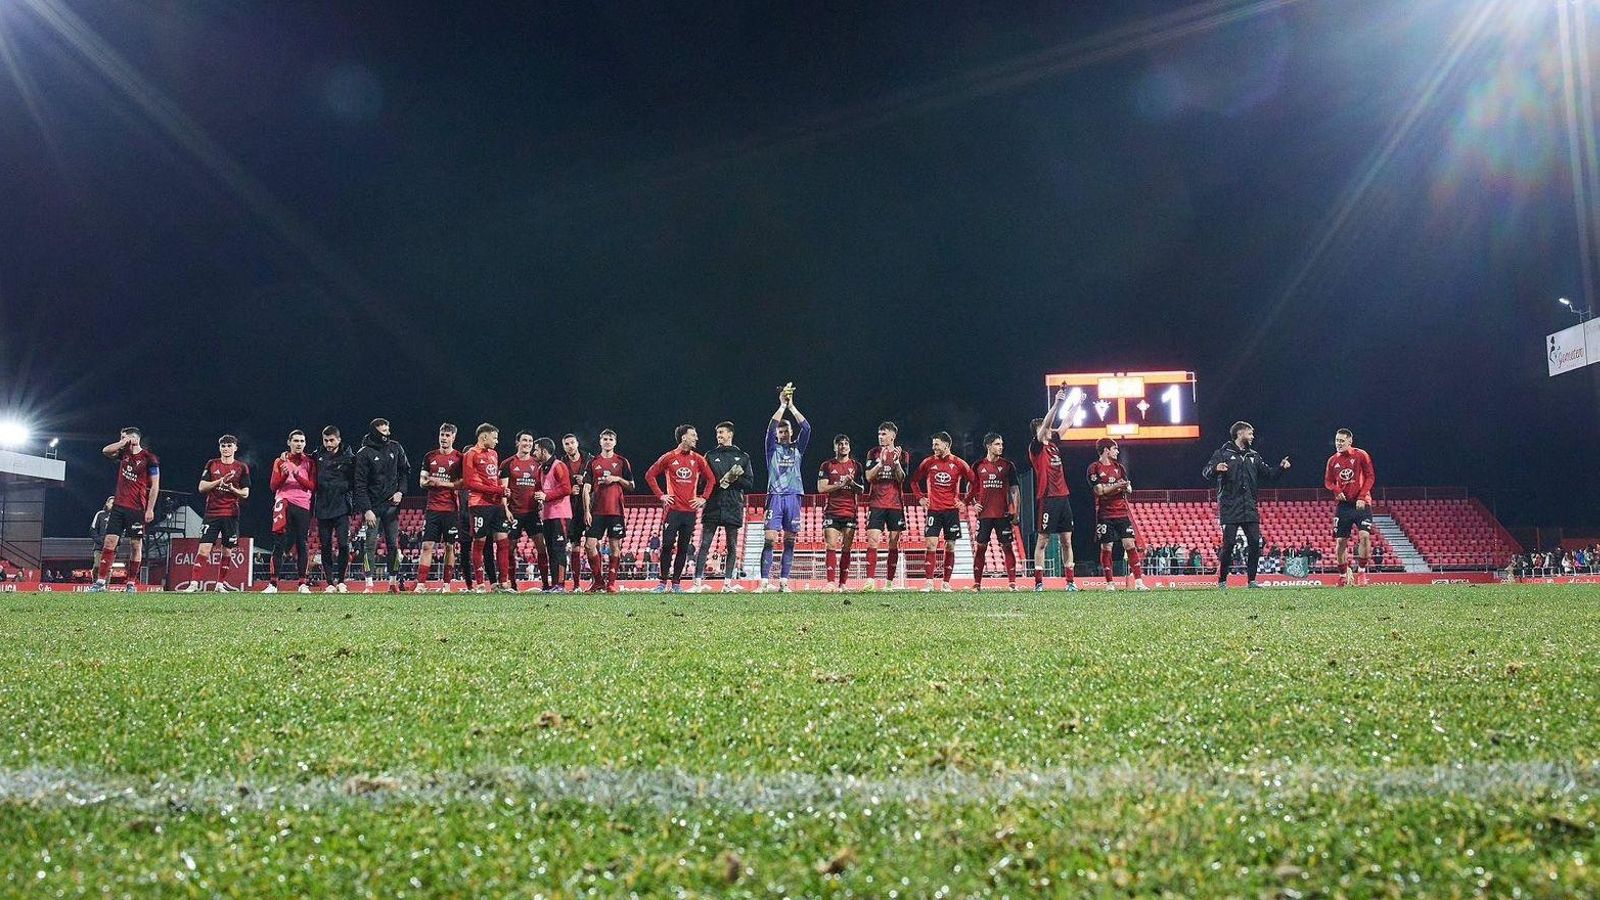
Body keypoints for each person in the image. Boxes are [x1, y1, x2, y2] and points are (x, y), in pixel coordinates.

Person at [1202, 420, 1291, 589]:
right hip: (1229, 506)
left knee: (1255, 543)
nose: (1252, 437)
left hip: (1249, 507)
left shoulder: (1254, 456)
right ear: (1240, 433)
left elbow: (1269, 474)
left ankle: (1251, 580)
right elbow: (1206, 472)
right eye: (1250, 433)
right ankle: (1221, 580)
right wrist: (1215, 469)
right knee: (1228, 545)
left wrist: (1281, 468)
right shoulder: (1222, 453)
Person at [645, 425, 716, 593]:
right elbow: (650, 475)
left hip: (690, 512)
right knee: (668, 545)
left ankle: (676, 583)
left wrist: (703, 498)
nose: (696, 438)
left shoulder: (698, 459)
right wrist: (661, 495)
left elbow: (712, 479)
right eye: (693, 435)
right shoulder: (669, 457)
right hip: (672, 511)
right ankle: (662, 583)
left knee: (684, 548)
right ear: (683, 437)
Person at [91, 427, 160, 593]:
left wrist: (150, 509)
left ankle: (130, 583)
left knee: (135, 545)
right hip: (119, 507)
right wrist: (122, 442)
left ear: (134, 437)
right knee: (110, 542)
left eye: (124, 437)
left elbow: (155, 485)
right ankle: (100, 582)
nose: (121, 440)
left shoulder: (149, 458)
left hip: (137, 508)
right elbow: (105, 450)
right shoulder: (124, 454)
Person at [760, 384, 811, 592]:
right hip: (775, 496)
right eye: (780, 432)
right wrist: (781, 406)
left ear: (791, 432)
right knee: (770, 539)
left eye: (785, 431)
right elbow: (770, 428)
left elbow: (807, 428)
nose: (782, 434)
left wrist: (792, 407)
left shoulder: (798, 448)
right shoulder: (771, 449)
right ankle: (764, 582)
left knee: (790, 540)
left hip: (794, 496)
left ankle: (783, 582)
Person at [184, 434, 251, 593]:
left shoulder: (241, 467)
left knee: (227, 550)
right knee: (204, 549)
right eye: (223, 446)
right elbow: (201, 487)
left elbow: (246, 493)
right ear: (219, 448)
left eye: (229, 446)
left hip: (231, 514)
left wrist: (232, 489)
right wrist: (219, 482)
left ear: (235, 448)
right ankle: (194, 584)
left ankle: (220, 584)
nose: (226, 448)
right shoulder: (212, 463)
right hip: (212, 513)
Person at [693, 421, 754, 593]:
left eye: (722, 432)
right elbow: (701, 482)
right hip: (713, 504)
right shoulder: (710, 455)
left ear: (730, 434)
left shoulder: (743, 457)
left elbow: (749, 483)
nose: (719, 435)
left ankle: (727, 584)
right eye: (717, 432)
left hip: (733, 504)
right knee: (704, 544)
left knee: (732, 546)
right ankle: (697, 583)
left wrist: (735, 479)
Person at [911, 431, 975, 593]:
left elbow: (975, 482)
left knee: (951, 546)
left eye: (936, 444)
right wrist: (920, 498)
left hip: (951, 512)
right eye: (933, 444)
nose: (933, 447)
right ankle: (929, 583)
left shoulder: (959, 463)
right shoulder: (928, 462)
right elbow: (913, 481)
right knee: (931, 544)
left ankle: (946, 583)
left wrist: (965, 502)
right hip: (933, 510)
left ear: (946, 445)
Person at [353, 417, 411, 593]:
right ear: (376, 432)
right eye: (384, 431)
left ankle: (392, 582)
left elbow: (404, 471)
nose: (388, 433)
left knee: (393, 544)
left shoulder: (396, 447)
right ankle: (369, 584)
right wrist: (367, 509)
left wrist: (400, 491)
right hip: (372, 507)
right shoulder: (364, 453)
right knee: (370, 544)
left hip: (391, 506)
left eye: (388, 429)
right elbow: (359, 484)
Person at [1030, 390, 1078, 591]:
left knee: (1067, 540)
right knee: (1043, 540)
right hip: (1048, 498)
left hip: (1063, 497)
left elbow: (1066, 422)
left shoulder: (1055, 444)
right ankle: (1039, 583)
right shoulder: (1036, 446)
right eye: (1046, 427)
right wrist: (1057, 404)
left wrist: (1077, 404)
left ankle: (1070, 582)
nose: (1050, 429)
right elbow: (1048, 425)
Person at [1087, 438, 1147, 591]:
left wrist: (1125, 488)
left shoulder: (1119, 467)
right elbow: (1099, 491)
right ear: (1106, 450)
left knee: (1130, 544)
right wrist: (1117, 486)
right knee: (1107, 547)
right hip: (1104, 514)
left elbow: (1129, 488)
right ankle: (1110, 583)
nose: (1117, 452)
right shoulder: (1094, 468)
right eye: (1115, 449)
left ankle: (1139, 582)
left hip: (1121, 512)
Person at [461, 423, 513, 593]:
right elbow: (470, 483)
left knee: (503, 542)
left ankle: (504, 584)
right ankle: (480, 584)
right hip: (479, 505)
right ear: (484, 437)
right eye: (495, 437)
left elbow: (492, 479)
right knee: (479, 543)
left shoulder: (494, 454)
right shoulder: (470, 454)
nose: (497, 441)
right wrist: (497, 489)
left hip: (496, 504)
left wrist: (502, 490)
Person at [583, 429, 635, 593]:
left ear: (615, 442)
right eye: (605, 439)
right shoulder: (593, 462)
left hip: (615, 511)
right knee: (589, 545)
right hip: (596, 510)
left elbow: (632, 486)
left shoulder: (621, 461)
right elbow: (586, 488)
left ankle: (611, 583)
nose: (607, 441)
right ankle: (598, 581)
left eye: (610, 439)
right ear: (600, 441)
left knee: (615, 546)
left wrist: (617, 479)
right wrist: (586, 511)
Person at [860, 422, 910, 592]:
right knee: (872, 540)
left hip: (895, 504)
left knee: (893, 543)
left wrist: (896, 463)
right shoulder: (872, 453)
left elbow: (902, 478)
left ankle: (889, 583)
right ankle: (870, 581)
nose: (880, 437)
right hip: (876, 503)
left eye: (883, 434)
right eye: (879, 433)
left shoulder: (902, 454)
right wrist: (880, 463)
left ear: (892, 436)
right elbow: (868, 477)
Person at [264, 430, 316, 594]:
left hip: (302, 505)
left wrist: (295, 475)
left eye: (302, 441)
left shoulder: (310, 462)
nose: (299, 443)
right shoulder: (280, 461)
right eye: (296, 441)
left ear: (305, 443)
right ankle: (273, 584)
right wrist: (284, 475)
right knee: (279, 543)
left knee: (302, 543)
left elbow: (312, 487)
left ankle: (302, 583)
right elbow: (273, 486)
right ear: (289, 442)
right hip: (283, 502)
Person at [968, 433, 1021, 592]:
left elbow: (1015, 489)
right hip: (984, 515)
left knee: (1007, 547)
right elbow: (970, 488)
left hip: (1002, 514)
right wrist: (973, 503)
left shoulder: (1008, 465)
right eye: (997, 444)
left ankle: (1012, 584)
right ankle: (977, 584)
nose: (1001, 447)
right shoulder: (978, 465)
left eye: (1001, 444)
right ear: (988, 446)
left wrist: (1015, 512)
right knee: (981, 548)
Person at [1324, 427, 1376, 587]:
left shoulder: (1361, 455)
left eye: (1341, 441)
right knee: (1340, 542)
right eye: (1336, 441)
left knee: (1365, 536)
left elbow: (1370, 477)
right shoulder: (1332, 460)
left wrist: (1362, 496)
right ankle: (1343, 576)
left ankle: (1361, 573)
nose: (1338, 444)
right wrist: (1336, 490)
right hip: (1344, 506)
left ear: (1350, 441)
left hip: (1362, 503)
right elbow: (1328, 481)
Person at [415, 424, 464, 592]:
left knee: (450, 547)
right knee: (427, 546)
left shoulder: (459, 458)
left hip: (451, 509)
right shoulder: (430, 457)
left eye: (448, 435)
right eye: (442, 434)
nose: (444, 438)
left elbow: (463, 483)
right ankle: (421, 584)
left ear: (453, 438)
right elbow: (422, 482)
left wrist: (442, 483)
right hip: (433, 509)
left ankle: (447, 584)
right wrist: (429, 482)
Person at [311, 426, 357, 593]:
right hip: (323, 507)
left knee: (344, 545)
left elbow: (356, 480)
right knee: (325, 545)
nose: (329, 444)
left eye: (332, 440)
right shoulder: (316, 456)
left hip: (342, 507)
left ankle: (342, 581)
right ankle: (330, 583)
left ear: (339, 439)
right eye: (326, 440)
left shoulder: (350, 457)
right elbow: (301, 461)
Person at [816, 434, 864, 593]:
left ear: (849, 447)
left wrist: (852, 483)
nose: (843, 446)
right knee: (830, 545)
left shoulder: (856, 466)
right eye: (839, 444)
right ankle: (830, 583)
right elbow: (821, 488)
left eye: (845, 444)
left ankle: (842, 584)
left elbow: (862, 490)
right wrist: (841, 484)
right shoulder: (827, 465)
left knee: (846, 548)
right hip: (832, 511)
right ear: (835, 447)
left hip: (850, 511)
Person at [502, 431, 547, 592]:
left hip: (532, 513)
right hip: (514, 512)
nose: (528, 443)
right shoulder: (508, 463)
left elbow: (542, 486)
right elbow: (503, 489)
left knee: (541, 547)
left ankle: (546, 584)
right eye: (524, 440)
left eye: (530, 441)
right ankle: (512, 584)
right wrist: (505, 509)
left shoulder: (538, 464)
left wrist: (541, 501)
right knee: (509, 548)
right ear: (517, 443)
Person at [532, 437, 574, 592]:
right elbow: (539, 489)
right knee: (551, 550)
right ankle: (554, 583)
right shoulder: (540, 469)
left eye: (536, 449)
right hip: (547, 515)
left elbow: (566, 489)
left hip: (560, 515)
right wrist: (539, 499)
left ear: (544, 450)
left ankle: (560, 585)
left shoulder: (559, 466)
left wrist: (546, 497)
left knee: (559, 549)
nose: (534, 452)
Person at [561, 434, 589, 590]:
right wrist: (569, 490)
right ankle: (576, 584)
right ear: (564, 447)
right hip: (570, 508)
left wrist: (584, 482)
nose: (570, 446)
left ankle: (597, 582)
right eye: (567, 444)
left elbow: (597, 481)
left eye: (572, 443)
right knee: (575, 545)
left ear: (577, 443)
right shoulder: (561, 462)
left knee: (593, 545)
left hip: (588, 508)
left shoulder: (590, 459)